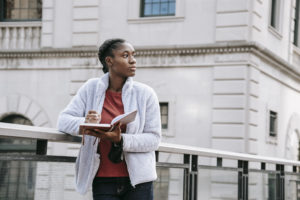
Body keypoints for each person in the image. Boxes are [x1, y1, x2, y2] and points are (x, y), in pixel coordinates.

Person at [57, 38, 161, 200]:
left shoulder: (145, 94)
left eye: (133, 55)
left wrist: (121, 140)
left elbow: (154, 139)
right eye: (125, 56)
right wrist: (86, 123)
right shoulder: (90, 88)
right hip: (102, 180)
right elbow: (63, 121)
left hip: (139, 182)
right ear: (109, 61)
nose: (133, 61)